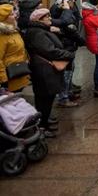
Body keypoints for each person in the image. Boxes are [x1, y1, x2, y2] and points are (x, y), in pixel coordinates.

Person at [23, 8, 75, 137]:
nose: (50, 19)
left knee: (46, 98)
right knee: (44, 99)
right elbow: (49, 50)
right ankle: (42, 127)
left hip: (45, 69)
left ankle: (44, 123)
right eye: (47, 17)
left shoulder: (40, 30)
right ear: (39, 20)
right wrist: (68, 54)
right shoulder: (38, 33)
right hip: (44, 69)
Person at [0, 4, 30, 92]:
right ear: (4, 19)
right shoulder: (2, 35)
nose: (15, 16)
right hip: (9, 78)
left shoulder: (13, 31)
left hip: (18, 74)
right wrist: (3, 80)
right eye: (12, 14)